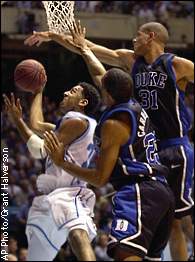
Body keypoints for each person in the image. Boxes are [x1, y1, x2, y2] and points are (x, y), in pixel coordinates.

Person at [25, 21, 194, 261]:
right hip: (150, 149)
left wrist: (62, 162)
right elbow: (88, 47)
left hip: (175, 146)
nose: (134, 39)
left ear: (151, 37)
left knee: (181, 221)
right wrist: (54, 36)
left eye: (138, 35)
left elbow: (100, 177)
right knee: (172, 223)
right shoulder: (130, 61)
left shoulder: (176, 64)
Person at [3, 79, 101, 261]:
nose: (66, 92)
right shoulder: (69, 125)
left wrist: (17, 121)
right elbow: (37, 125)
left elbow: (38, 149)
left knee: (77, 233)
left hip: (69, 193)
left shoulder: (78, 121)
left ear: (83, 102)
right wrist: (38, 91)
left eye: (73, 91)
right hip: (50, 196)